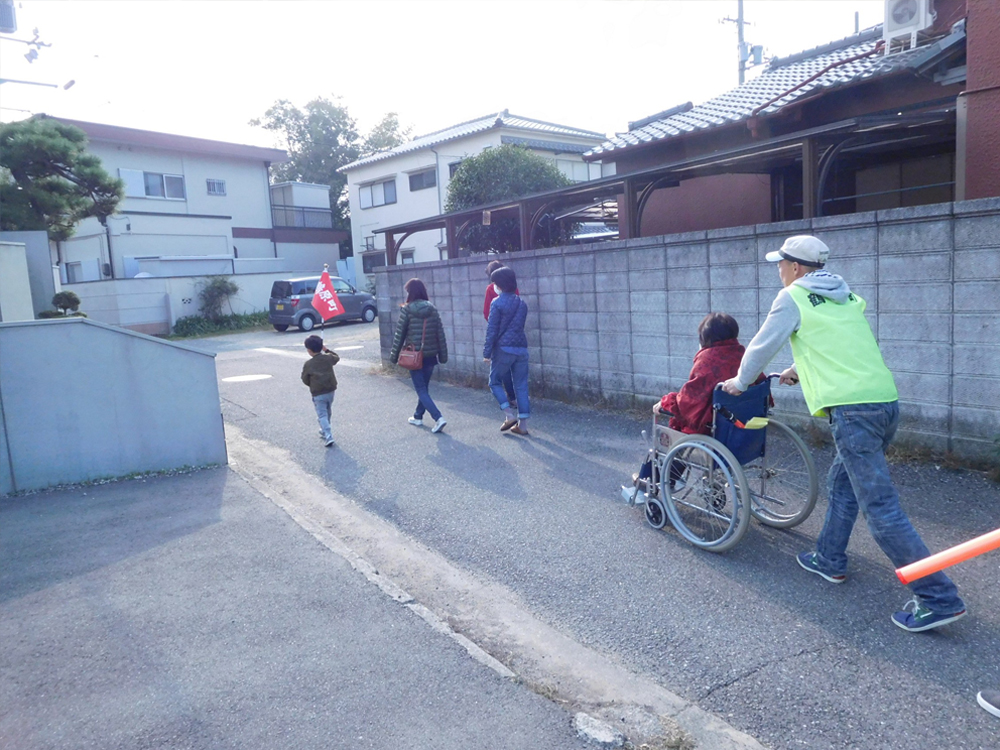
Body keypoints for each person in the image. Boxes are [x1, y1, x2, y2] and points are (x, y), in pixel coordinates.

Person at [722, 235, 966, 633]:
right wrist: (798, 369)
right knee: (843, 484)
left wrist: (740, 381)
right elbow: (843, 348)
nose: (779, 270)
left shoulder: (792, 297)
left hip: (854, 413)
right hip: (885, 403)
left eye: (781, 264)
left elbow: (760, 347)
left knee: (881, 508)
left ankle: (939, 597)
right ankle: (829, 559)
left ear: (797, 267)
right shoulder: (846, 297)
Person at [657, 312, 750, 435]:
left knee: (664, 410)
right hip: (744, 426)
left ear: (705, 337)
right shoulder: (745, 355)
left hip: (713, 430)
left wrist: (666, 401)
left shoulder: (707, 360)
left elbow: (689, 402)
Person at [390, 278, 449, 434]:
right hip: (430, 355)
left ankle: (438, 418)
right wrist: (443, 356)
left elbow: (399, 335)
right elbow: (440, 335)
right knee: (424, 389)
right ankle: (418, 416)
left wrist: (393, 357)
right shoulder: (433, 309)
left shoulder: (407, 310)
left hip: (414, 356)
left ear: (411, 292)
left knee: (421, 390)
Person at [483, 266, 530, 435]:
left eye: (495, 282)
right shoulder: (522, 303)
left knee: (494, 382)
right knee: (521, 386)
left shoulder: (497, 303)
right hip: (521, 349)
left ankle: (509, 415)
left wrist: (487, 353)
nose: (494, 285)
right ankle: (522, 426)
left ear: (500, 284)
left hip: (503, 349)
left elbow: (492, 330)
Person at [483, 259, 518, 409]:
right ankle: (518, 398)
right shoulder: (513, 288)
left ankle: (510, 397)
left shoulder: (490, 289)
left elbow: (486, 313)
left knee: (502, 367)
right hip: (515, 331)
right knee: (516, 366)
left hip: (498, 333)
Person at [301, 334, 339, 447]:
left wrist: (312, 384)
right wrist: (326, 349)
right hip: (330, 390)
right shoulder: (328, 358)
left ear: (309, 350)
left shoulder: (308, 364)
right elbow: (336, 357)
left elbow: (304, 379)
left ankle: (328, 435)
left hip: (318, 393)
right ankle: (324, 430)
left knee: (322, 414)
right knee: (328, 411)